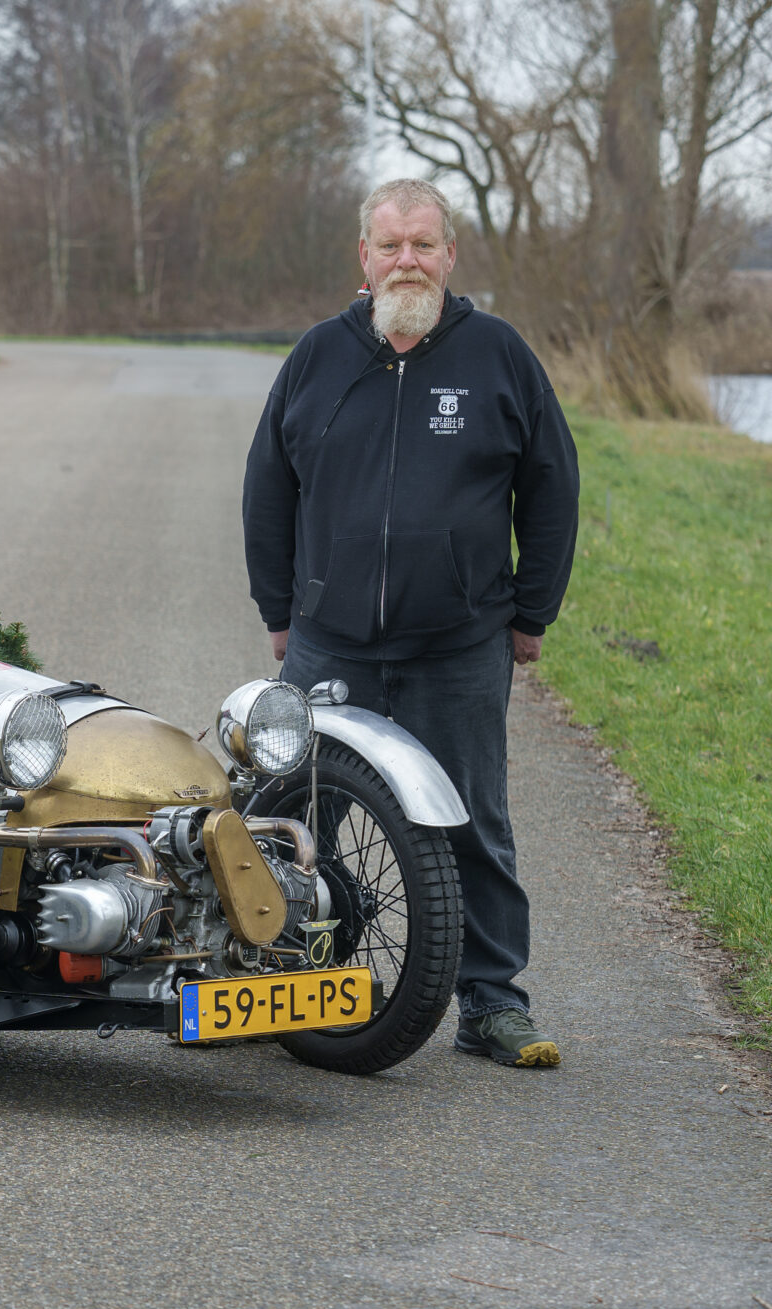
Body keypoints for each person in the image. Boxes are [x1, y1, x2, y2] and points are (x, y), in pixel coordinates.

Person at [241, 178, 579, 1067]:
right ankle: (294, 978)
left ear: (450, 253)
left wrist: (531, 611)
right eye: (389, 244)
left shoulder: (499, 356)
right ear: (363, 256)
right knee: (293, 820)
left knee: (474, 823)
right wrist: (280, 609)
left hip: (456, 645)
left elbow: (552, 488)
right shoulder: (317, 358)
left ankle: (493, 1001)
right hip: (330, 643)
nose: (406, 260)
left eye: (422, 244)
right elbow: (267, 488)